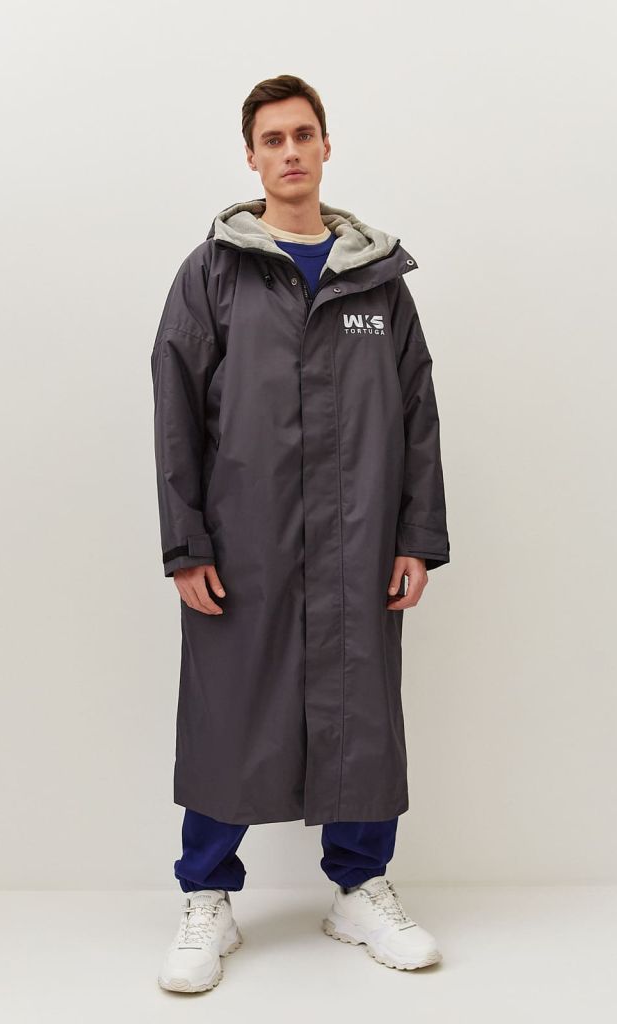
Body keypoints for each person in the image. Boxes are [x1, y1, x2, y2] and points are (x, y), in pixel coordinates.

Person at [151, 74, 450, 993]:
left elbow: (416, 410)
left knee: (361, 711)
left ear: (326, 146)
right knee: (229, 713)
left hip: (360, 541)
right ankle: (207, 895)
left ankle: (359, 887)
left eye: (303, 135)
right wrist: (186, 544)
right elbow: (176, 410)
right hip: (246, 546)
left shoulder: (377, 280)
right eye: (272, 139)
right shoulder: (213, 273)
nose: (290, 152)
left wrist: (416, 535)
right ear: (251, 157)